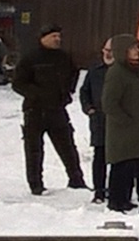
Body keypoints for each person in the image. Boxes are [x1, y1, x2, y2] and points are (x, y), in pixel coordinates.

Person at [11, 24, 88, 195]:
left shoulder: (64, 58)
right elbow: (18, 83)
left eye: (59, 36)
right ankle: (36, 184)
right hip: (35, 110)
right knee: (34, 150)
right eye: (54, 36)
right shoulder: (30, 58)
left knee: (68, 146)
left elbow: (74, 74)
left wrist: (68, 92)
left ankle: (76, 180)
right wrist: (36, 94)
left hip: (57, 109)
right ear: (43, 38)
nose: (57, 39)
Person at [98, 33, 139, 213]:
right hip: (124, 130)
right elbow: (109, 103)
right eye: (133, 48)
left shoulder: (137, 70)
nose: (137, 51)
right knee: (122, 166)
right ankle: (117, 201)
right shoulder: (117, 72)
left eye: (138, 48)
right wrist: (126, 121)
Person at [79, 49, 110, 198]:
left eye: (112, 51)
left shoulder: (125, 71)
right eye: (106, 51)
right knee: (100, 156)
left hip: (120, 122)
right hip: (99, 120)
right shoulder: (95, 71)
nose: (108, 54)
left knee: (121, 159)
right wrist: (88, 108)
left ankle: (118, 190)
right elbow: (84, 91)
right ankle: (99, 191)